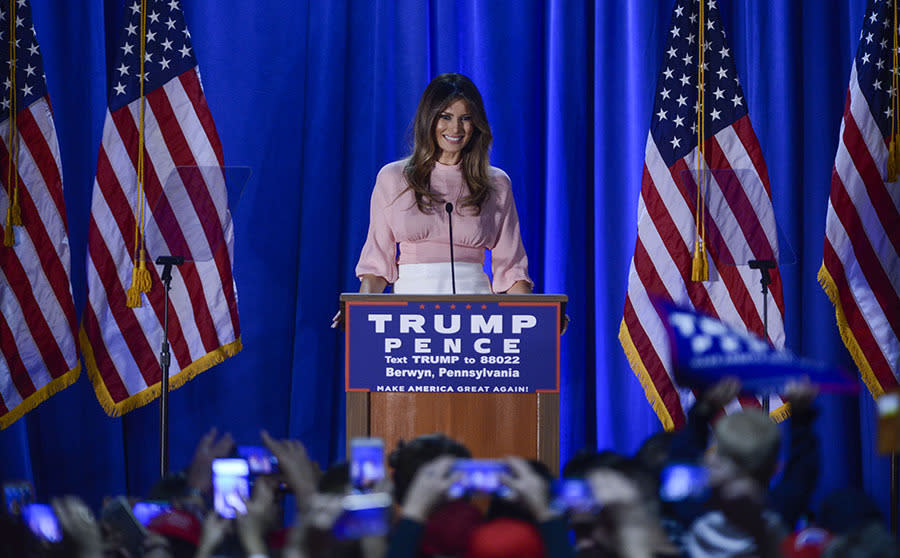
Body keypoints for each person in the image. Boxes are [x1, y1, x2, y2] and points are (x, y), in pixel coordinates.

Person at [354, 72, 533, 297]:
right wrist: (358, 310)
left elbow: (512, 271)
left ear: (476, 124)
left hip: (475, 311)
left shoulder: (496, 183)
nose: (455, 129)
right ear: (429, 119)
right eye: (446, 117)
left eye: (466, 118)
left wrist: (538, 317)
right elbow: (377, 265)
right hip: (408, 314)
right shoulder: (393, 178)